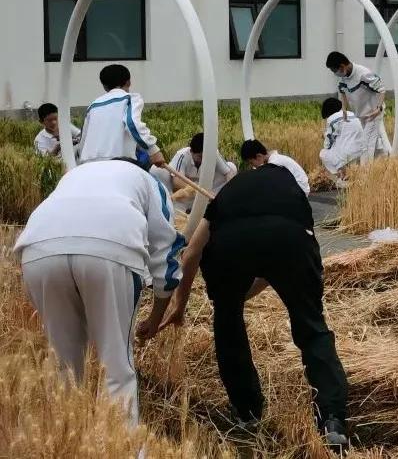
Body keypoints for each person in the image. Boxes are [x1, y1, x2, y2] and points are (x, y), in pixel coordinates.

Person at [156, 162, 349, 452]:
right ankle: (332, 420)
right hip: (290, 239)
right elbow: (281, 261)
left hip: (231, 242)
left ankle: (247, 411)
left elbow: (193, 252)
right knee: (311, 326)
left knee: (227, 321)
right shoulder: (291, 193)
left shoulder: (227, 194)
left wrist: (183, 304)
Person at [14, 158, 185, 428]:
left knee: (64, 368)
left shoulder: (75, 174)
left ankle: (64, 445)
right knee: (116, 367)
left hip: (38, 250)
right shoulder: (150, 181)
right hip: (110, 248)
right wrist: (156, 316)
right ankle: (125, 449)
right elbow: (166, 254)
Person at [79, 64, 165, 168]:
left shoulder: (92, 106)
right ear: (128, 82)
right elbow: (132, 124)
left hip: (87, 164)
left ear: (105, 86)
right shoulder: (130, 98)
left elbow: (83, 139)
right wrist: (153, 150)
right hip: (118, 163)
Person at [325, 51, 388, 163]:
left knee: (366, 144)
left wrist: (378, 109)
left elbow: (382, 89)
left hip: (373, 114)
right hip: (361, 115)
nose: (335, 74)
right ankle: (384, 162)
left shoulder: (363, 74)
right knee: (373, 141)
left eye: (334, 71)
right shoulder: (344, 77)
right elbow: (342, 91)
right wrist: (344, 108)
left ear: (342, 66)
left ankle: (365, 173)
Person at [168, 132, 237, 211]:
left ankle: (216, 202)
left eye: (205, 156)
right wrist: (200, 191)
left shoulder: (213, 153)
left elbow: (228, 173)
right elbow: (177, 181)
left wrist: (233, 191)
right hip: (188, 194)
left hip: (207, 190)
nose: (203, 160)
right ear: (191, 152)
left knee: (232, 167)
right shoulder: (182, 155)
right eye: (200, 156)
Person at [318, 98, 368, 186]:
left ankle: (340, 177)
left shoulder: (332, 119)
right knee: (340, 148)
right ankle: (346, 175)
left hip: (347, 153)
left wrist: (324, 136)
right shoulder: (351, 114)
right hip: (362, 150)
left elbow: (327, 144)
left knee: (323, 153)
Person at [240, 139, 310, 196]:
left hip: (299, 190)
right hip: (296, 188)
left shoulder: (275, 163)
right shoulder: (273, 159)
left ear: (259, 156)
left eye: (251, 163)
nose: (252, 166)